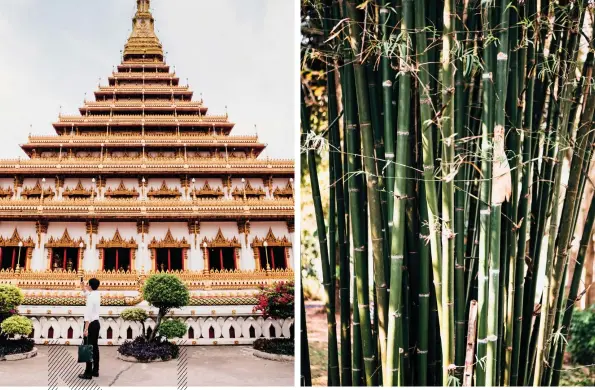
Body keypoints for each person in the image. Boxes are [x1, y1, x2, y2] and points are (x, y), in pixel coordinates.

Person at [79, 277, 100, 379]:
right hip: (96, 324)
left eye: (87, 284)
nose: (86, 285)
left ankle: (88, 373)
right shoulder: (96, 294)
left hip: (90, 324)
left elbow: (88, 314)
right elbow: (87, 293)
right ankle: (95, 370)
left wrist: (86, 329)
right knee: (94, 347)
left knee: (88, 348)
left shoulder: (91, 297)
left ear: (90, 286)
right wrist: (82, 286)